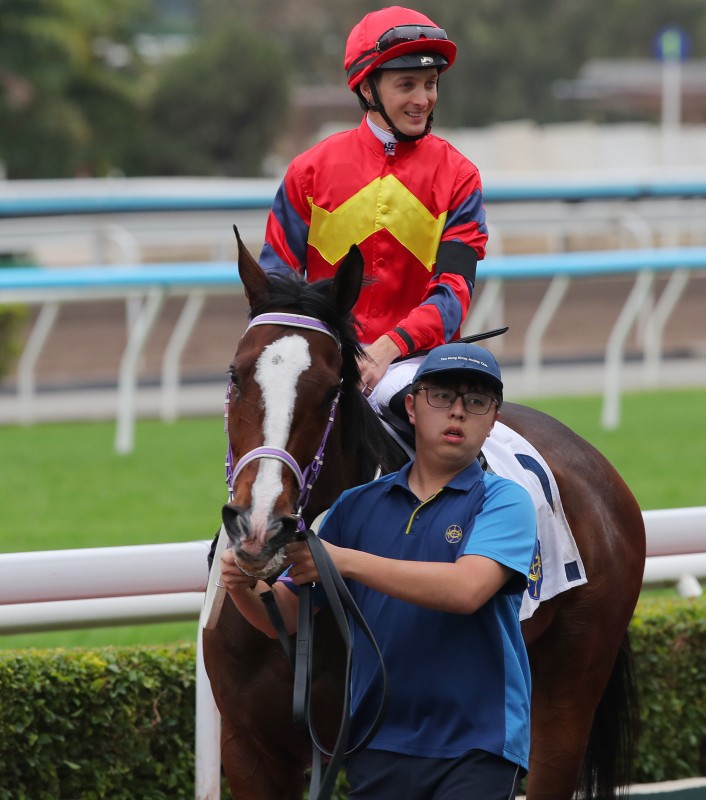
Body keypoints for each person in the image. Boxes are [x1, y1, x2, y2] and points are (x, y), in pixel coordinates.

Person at [220, 342, 537, 800]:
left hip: (478, 745)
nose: (457, 412)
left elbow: (467, 590)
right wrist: (243, 588)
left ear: (493, 421)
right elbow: (286, 616)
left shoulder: (505, 501)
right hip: (376, 742)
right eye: (441, 396)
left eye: (476, 401)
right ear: (411, 407)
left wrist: (343, 560)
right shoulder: (356, 506)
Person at [259, 6, 487, 418]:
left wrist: (389, 347)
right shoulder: (307, 172)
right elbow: (274, 283)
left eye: (430, 84)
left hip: (414, 364)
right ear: (368, 89)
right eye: (407, 85)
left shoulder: (460, 177)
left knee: (460, 430)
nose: (423, 99)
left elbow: (454, 291)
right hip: (319, 362)